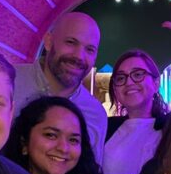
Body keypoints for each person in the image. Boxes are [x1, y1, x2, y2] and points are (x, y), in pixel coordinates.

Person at [13, 12, 107, 162]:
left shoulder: (95, 114)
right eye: (71, 42)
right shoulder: (9, 82)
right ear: (49, 42)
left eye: (89, 49)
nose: (79, 56)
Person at [103, 50, 169, 174]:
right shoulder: (106, 128)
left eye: (138, 74)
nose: (129, 82)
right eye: (121, 78)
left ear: (156, 83)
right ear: (115, 88)